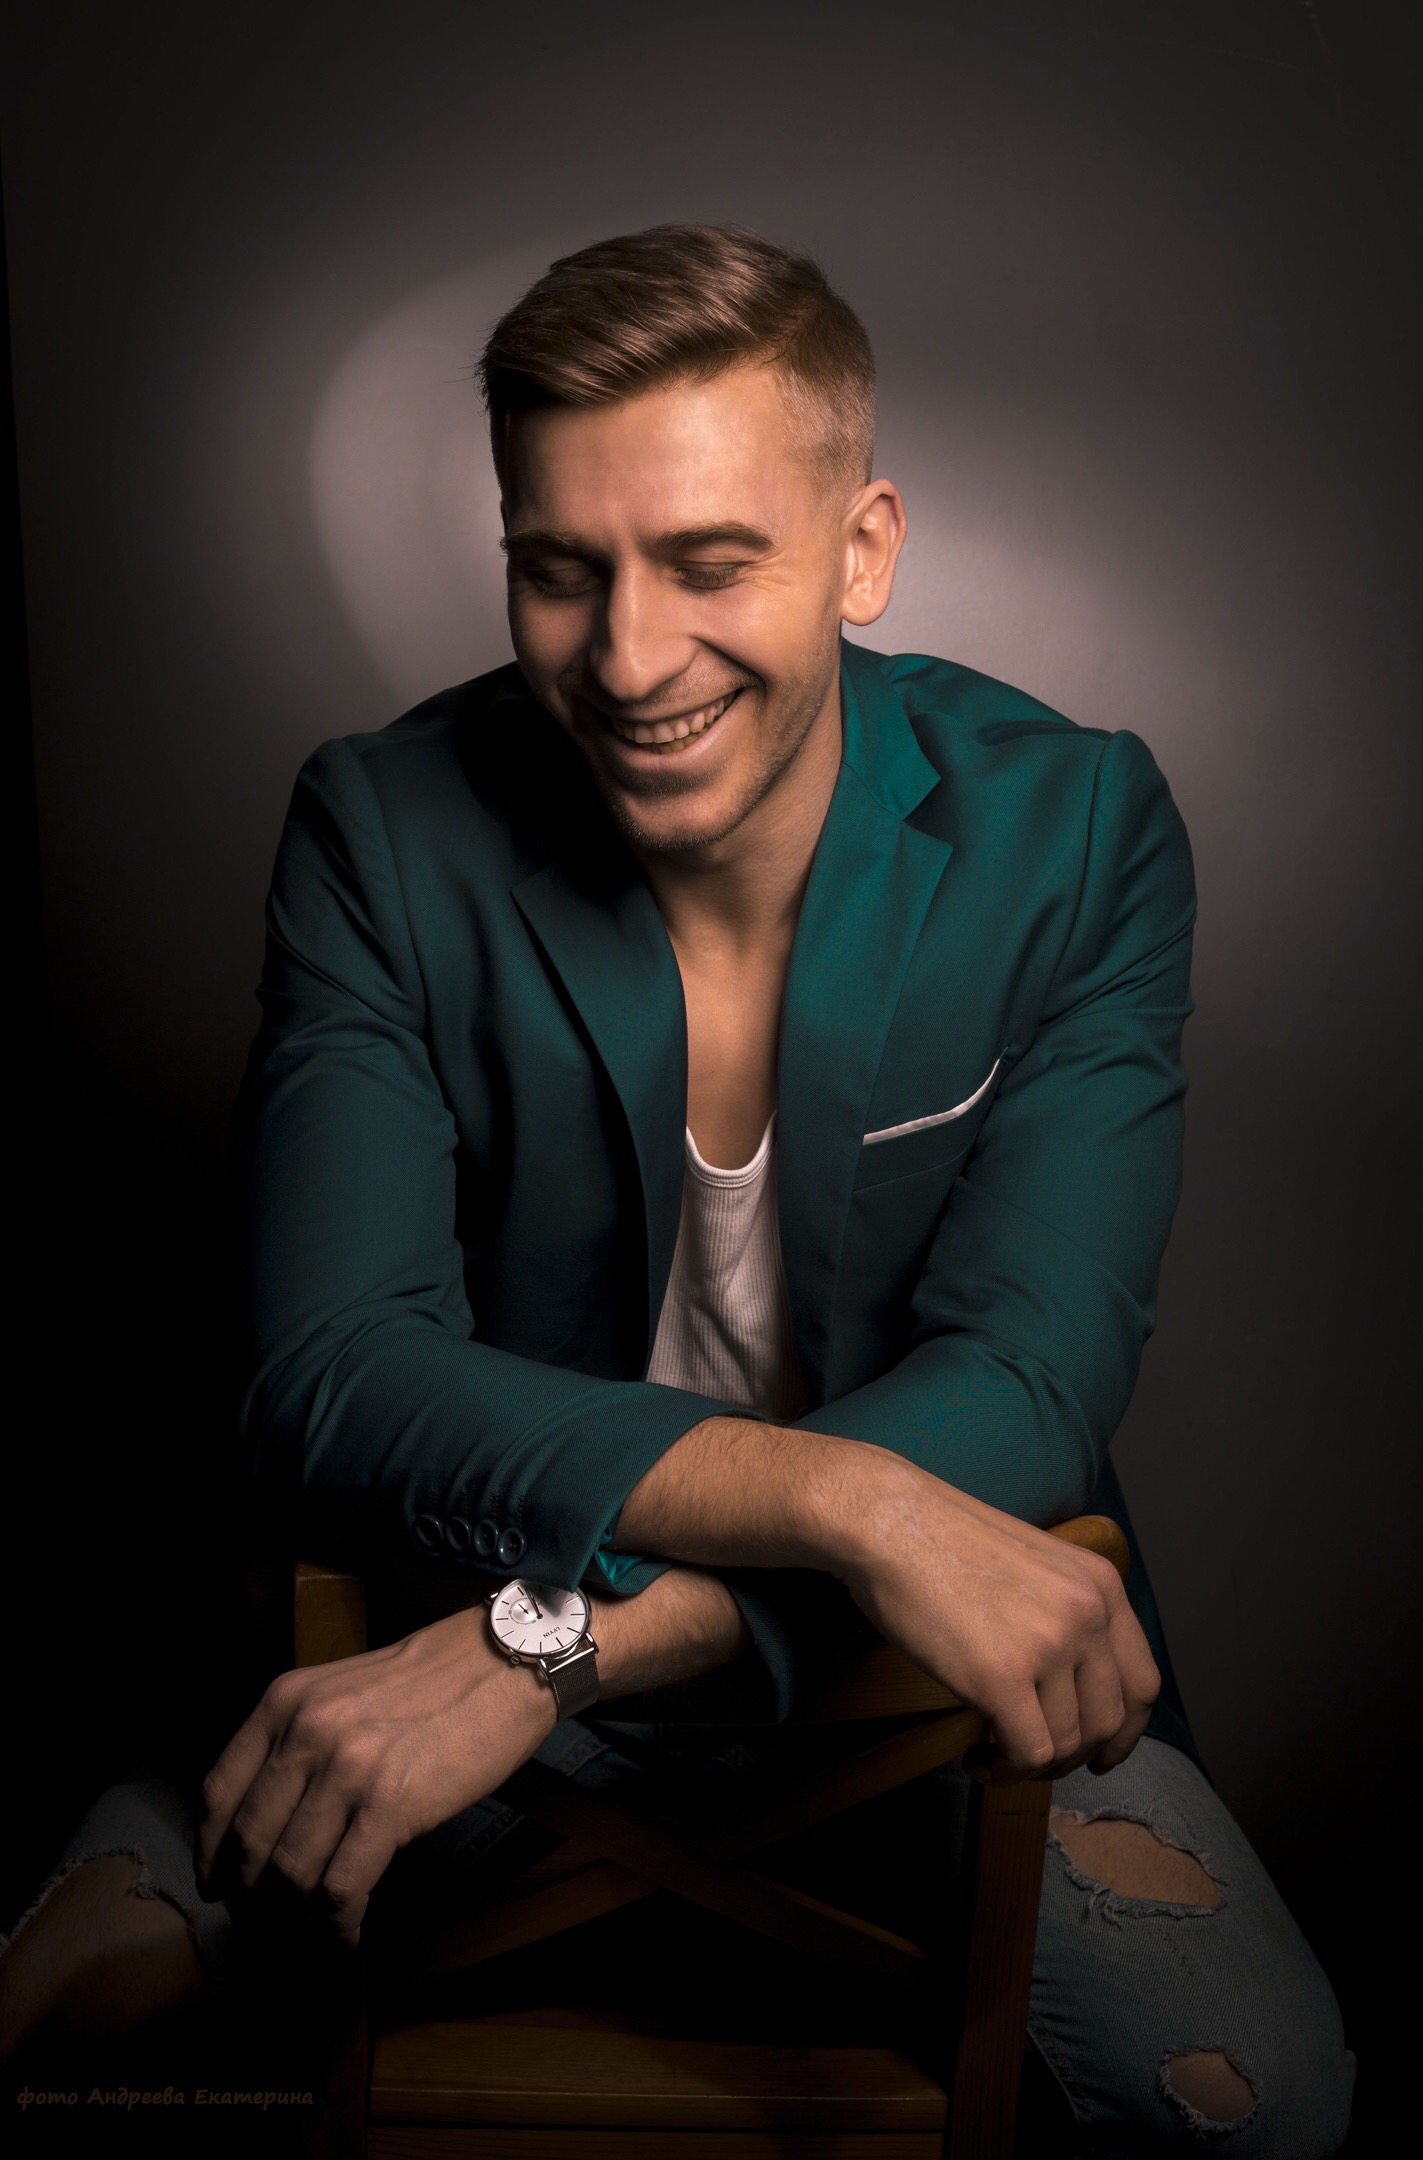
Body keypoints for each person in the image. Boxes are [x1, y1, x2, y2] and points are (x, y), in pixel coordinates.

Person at [0, 225, 1353, 2153]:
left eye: (712, 564)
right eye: (561, 570)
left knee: (1261, 2104)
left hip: (890, 1684)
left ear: (863, 552)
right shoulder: (381, 829)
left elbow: (1033, 1383)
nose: (629, 660)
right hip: (421, 1646)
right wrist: (849, 1500)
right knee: (51, 2021)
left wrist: (554, 1646)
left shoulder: (1074, 828)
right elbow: (334, 1377)